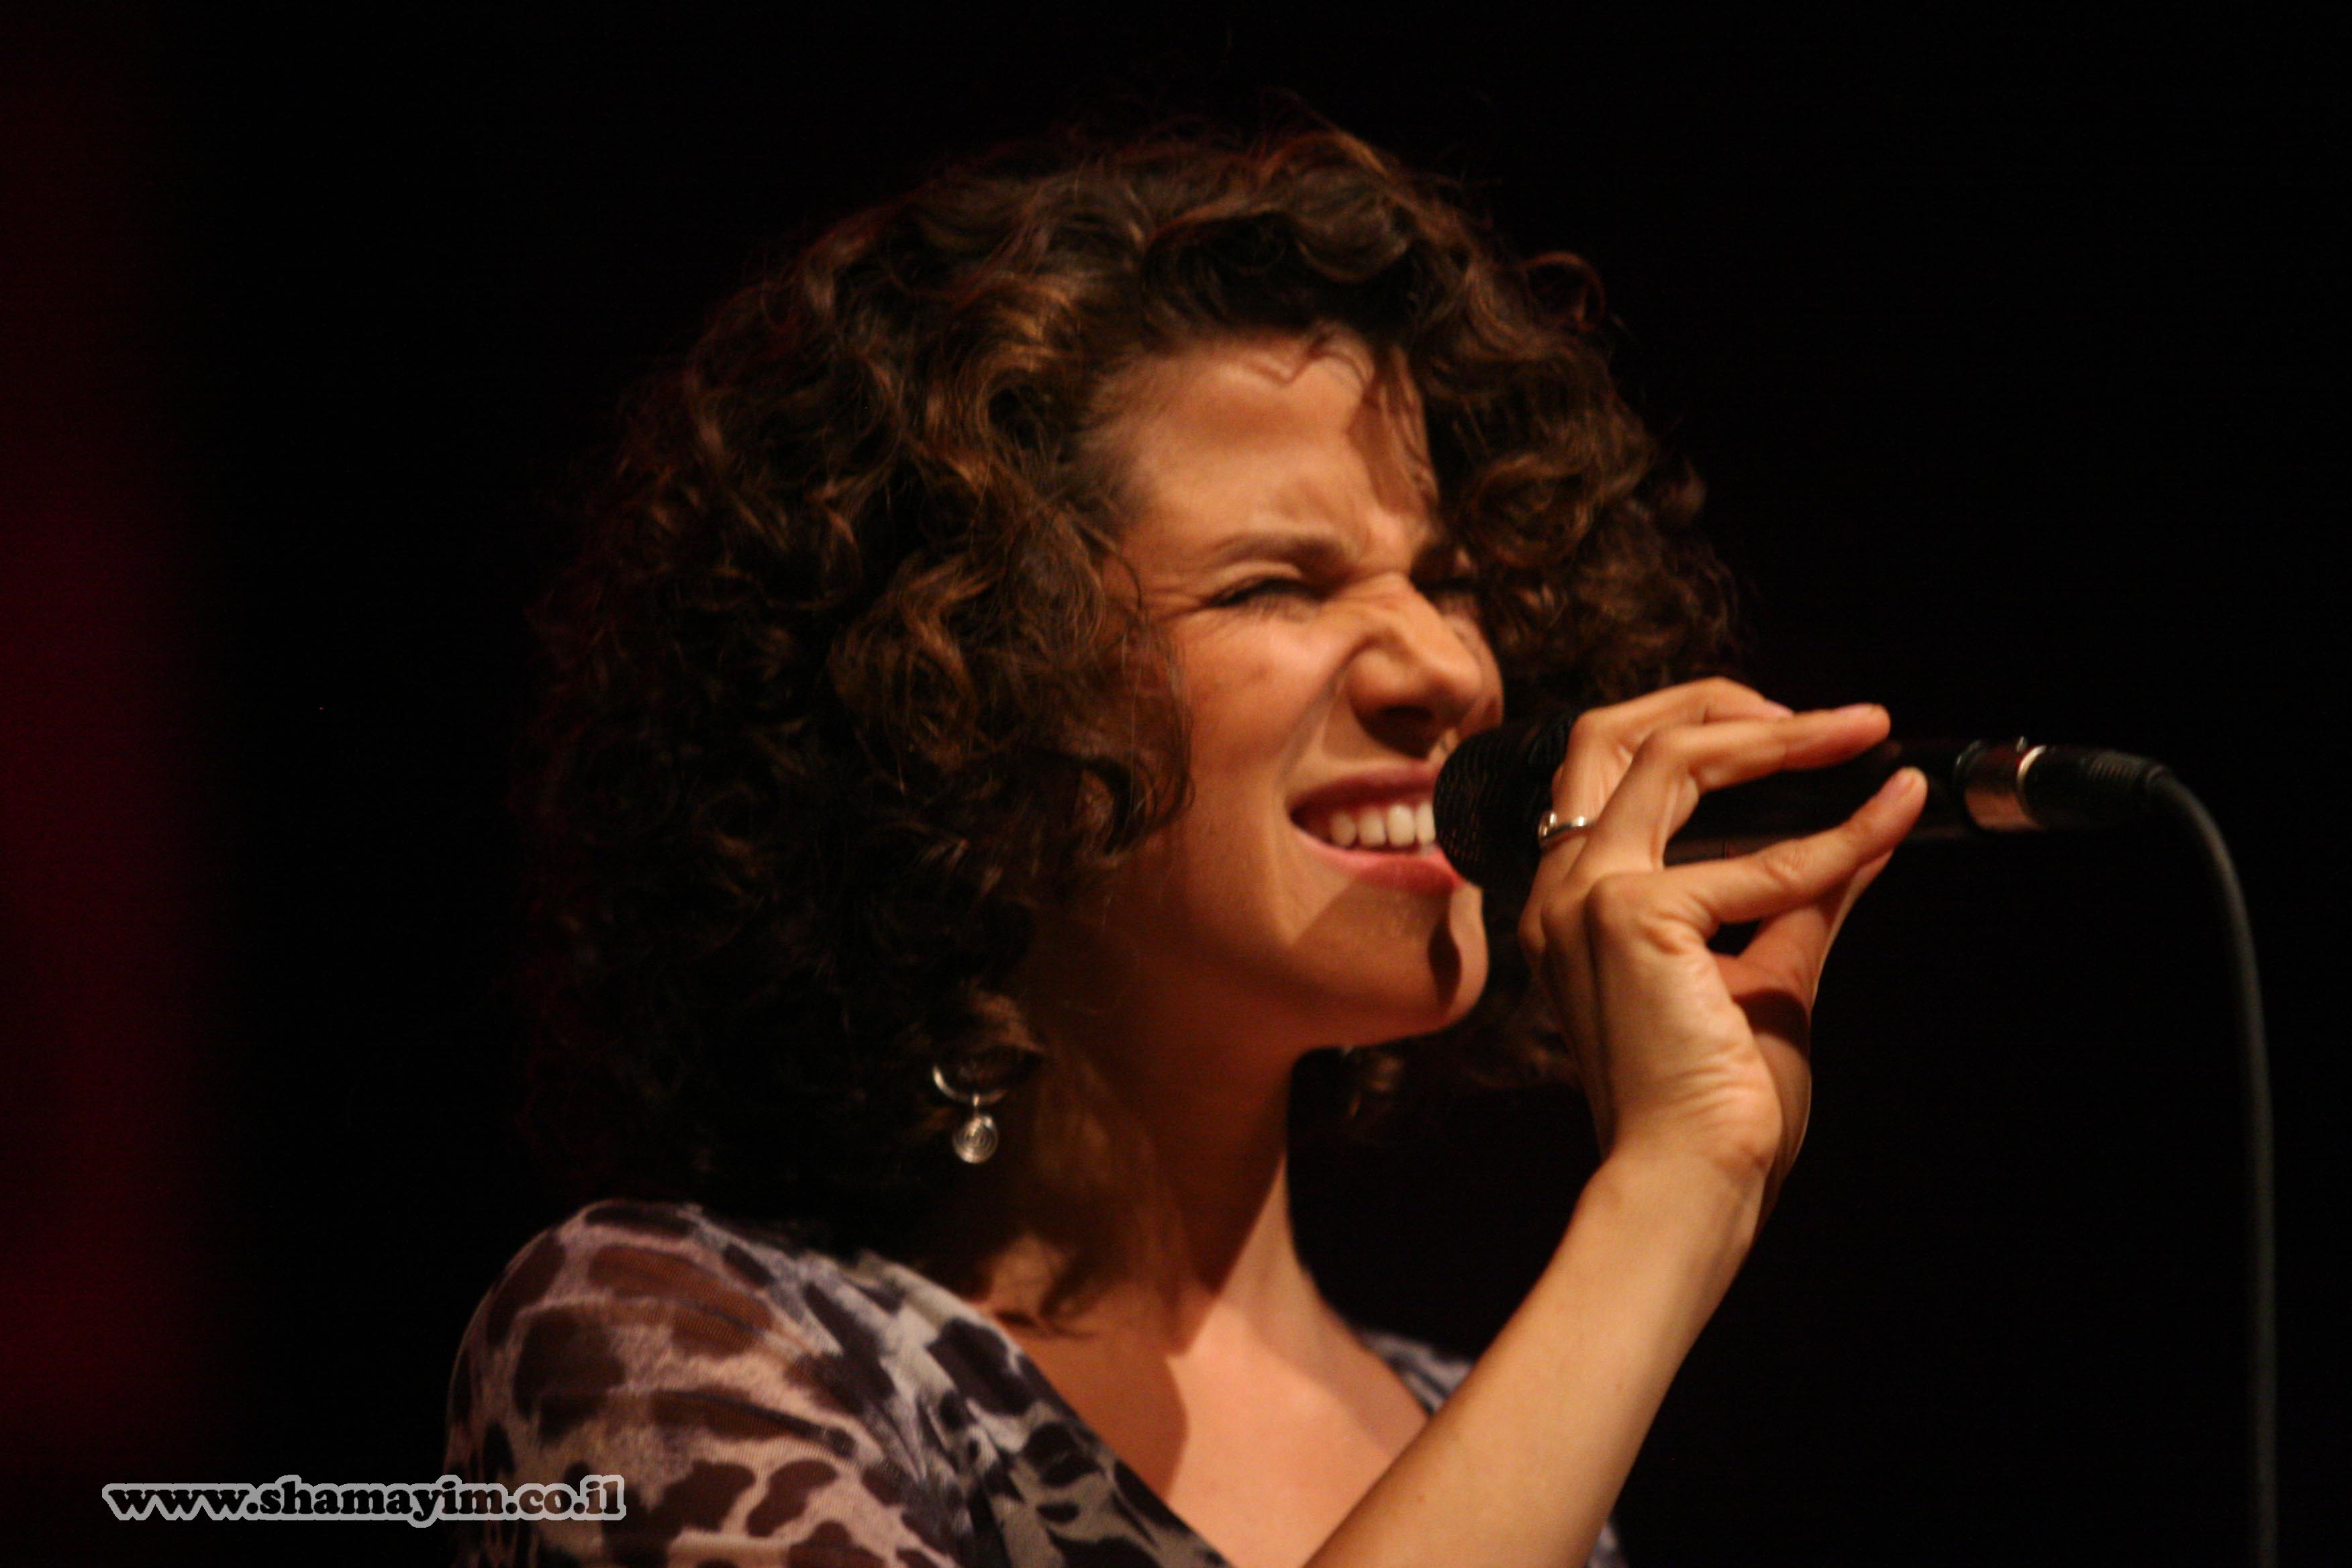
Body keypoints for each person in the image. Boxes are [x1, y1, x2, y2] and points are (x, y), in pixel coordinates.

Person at [444, 123, 1925, 1568]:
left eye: (1448, 579)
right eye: (1279, 584)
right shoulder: (672, 1346)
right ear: (967, 689)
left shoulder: (1500, 1435)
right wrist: (1671, 1200)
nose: (1450, 669)